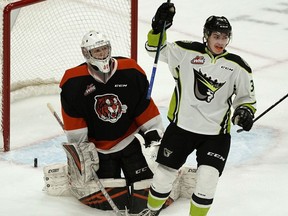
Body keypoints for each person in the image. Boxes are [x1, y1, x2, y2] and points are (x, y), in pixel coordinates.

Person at [141, 3, 257, 216]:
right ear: (206, 35)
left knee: (207, 180)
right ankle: (151, 211)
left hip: (215, 135)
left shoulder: (238, 66)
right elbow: (153, 50)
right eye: (216, 36)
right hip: (181, 129)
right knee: (163, 176)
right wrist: (158, 30)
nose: (221, 41)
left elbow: (247, 99)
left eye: (225, 37)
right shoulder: (185, 52)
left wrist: (245, 113)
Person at [59, 30, 164, 215]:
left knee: (144, 189)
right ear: (86, 54)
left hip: (128, 141)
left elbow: (142, 105)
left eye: (104, 49)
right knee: (113, 197)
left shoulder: (130, 70)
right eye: (97, 51)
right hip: (99, 150)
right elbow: (75, 122)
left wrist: (152, 130)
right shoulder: (73, 82)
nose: (102, 54)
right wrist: (82, 152)